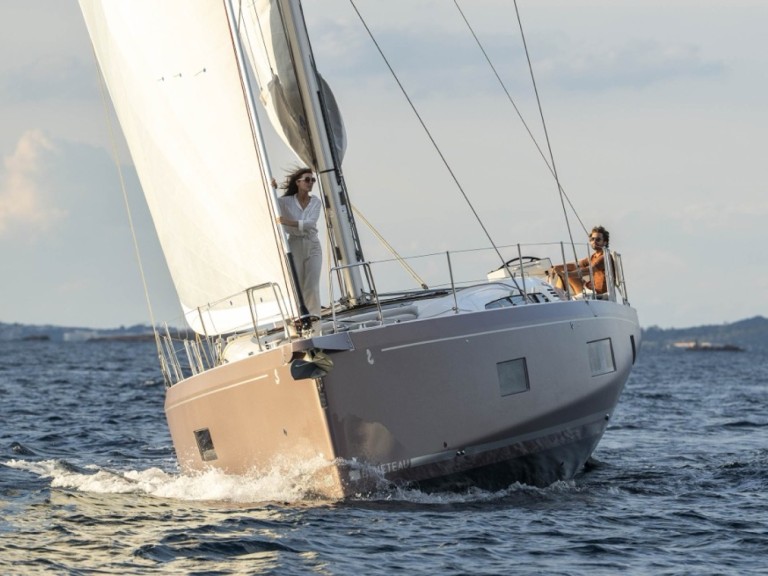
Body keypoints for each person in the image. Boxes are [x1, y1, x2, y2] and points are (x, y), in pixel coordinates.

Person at [275, 167, 323, 318]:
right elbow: (271, 204)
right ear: (298, 182)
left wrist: (289, 222)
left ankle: (315, 319)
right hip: (294, 244)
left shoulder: (315, 202)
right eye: (307, 180)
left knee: (312, 285)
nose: (310, 183)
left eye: (312, 180)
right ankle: (298, 317)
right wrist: (272, 188)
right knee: (297, 286)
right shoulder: (285, 202)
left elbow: (310, 223)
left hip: (313, 243)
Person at [551, 226, 610, 295]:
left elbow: (589, 270)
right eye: (592, 239)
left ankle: (568, 297)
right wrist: (557, 267)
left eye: (598, 239)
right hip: (591, 288)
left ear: (605, 242)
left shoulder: (604, 256)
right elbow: (575, 265)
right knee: (568, 270)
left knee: (568, 274)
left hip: (598, 293)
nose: (594, 241)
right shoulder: (593, 256)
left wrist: (565, 274)